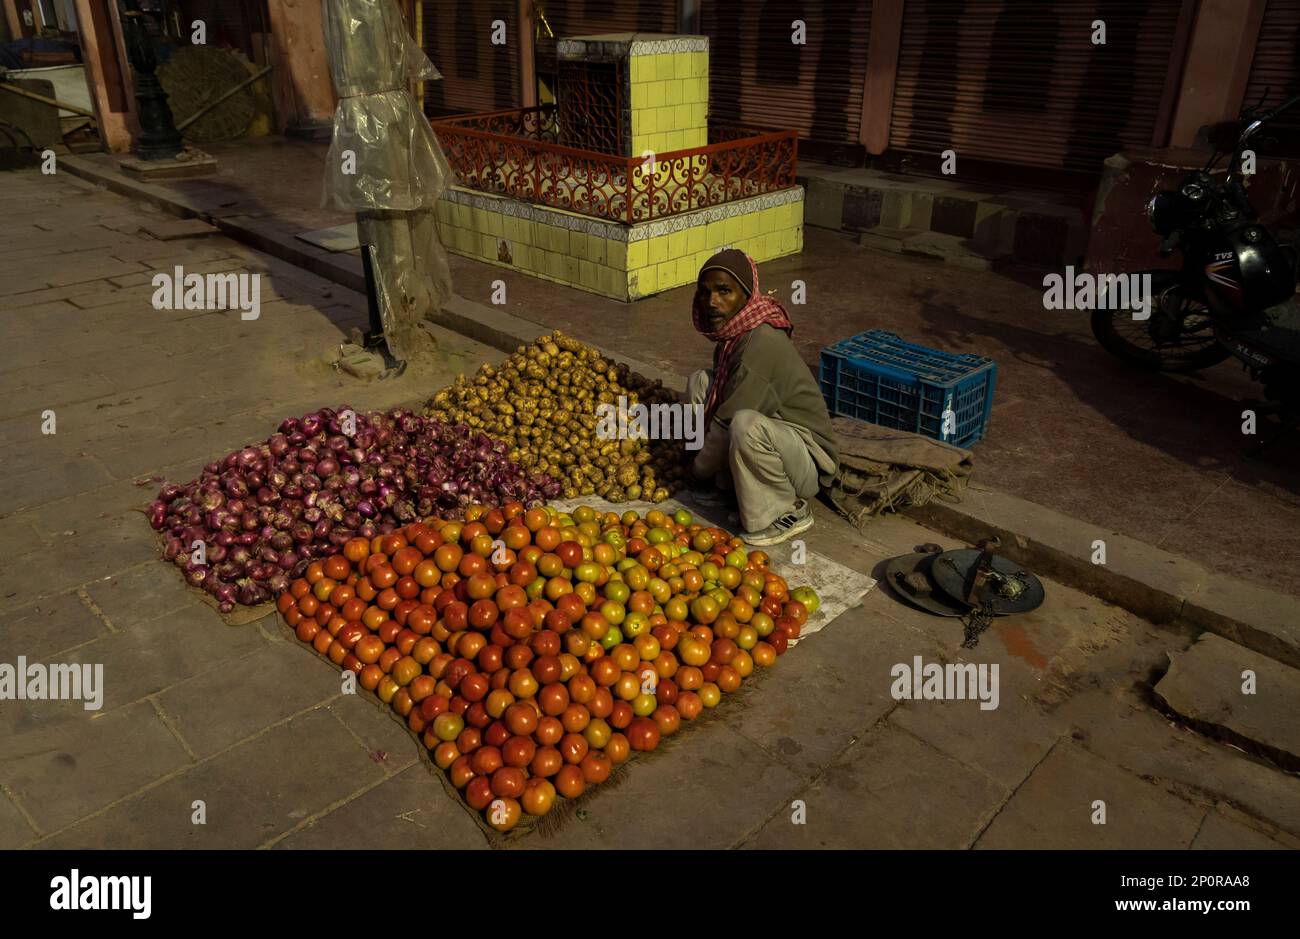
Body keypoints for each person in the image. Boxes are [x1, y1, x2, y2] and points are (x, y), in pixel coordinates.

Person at [687, 249, 838, 546]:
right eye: (705, 293)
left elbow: (726, 423)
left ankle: (785, 511)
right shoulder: (734, 335)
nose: (712, 302)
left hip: (805, 462)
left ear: (747, 295)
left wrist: (695, 470)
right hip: (775, 438)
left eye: (724, 292)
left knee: (744, 425)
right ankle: (720, 481)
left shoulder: (761, 343)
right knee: (700, 382)